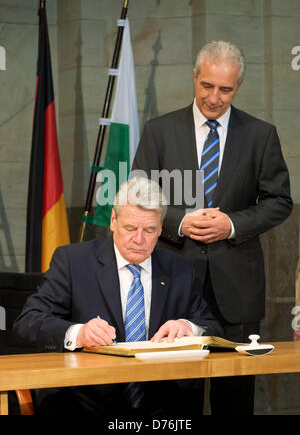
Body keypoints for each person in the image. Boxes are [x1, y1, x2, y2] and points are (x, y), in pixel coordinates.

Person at [132, 41, 293, 415]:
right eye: (207, 86)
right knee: (174, 400)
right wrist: (182, 222)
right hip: (172, 285)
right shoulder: (160, 131)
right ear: (194, 76)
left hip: (236, 290)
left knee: (234, 399)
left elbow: (279, 201)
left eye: (226, 89)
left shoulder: (260, 134)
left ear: (238, 87)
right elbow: (139, 195)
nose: (215, 98)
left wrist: (233, 224)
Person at [13, 177, 222, 418]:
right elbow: (29, 321)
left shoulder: (180, 269)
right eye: (130, 228)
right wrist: (78, 333)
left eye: (150, 230)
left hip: (161, 406)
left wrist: (188, 327)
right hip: (86, 402)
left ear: (161, 229)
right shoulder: (73, 261)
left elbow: (212, 327)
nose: (139, 239)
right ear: (113, 220)